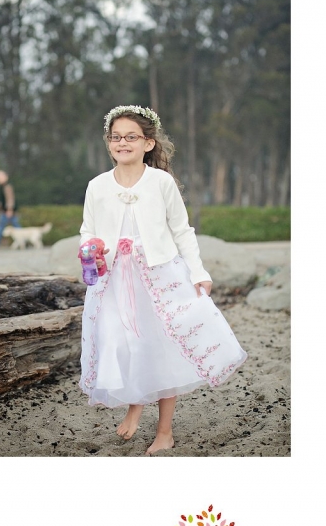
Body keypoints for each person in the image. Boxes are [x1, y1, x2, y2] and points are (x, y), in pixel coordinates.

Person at [78, 105, 247, 455]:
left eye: (131, 137)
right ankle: (135, 404)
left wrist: (199, 272)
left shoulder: (161, 183)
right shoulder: (96, 186)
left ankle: (165, 431)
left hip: (159, 276)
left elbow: (182, 231)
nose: (122, 142)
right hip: (113, 279)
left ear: (148, 143)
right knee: (120, 341)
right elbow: (87, 230)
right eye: (115, 137)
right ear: (108, 143)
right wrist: (89, 247)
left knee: (160, 347)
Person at [0, 169, 22, 248]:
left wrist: (9, 210)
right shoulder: (2, 187)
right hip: (7, 211)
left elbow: (10, 199)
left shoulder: (7, 186)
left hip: (8, 211)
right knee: (16, 227)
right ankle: (22, 241)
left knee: (1, 227)